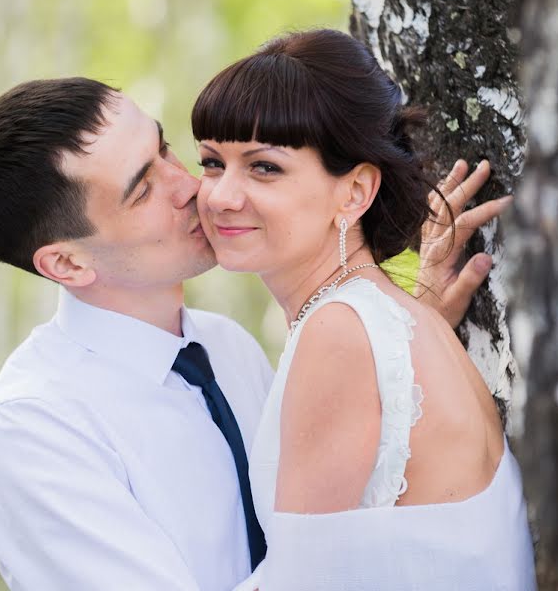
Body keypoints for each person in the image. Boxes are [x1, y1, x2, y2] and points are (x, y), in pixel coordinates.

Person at [0, 75, 508, 590]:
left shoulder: (227, 346)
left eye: (165, 149)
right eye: (143, 189)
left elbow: (348, 494)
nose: (194, 188)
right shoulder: (34, 429)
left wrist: (396, 341)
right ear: (67, 265)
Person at [192, 29, 535, 589]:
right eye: (211, 162)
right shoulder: (389, 318)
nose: (220, 196)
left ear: (354, 192)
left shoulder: (341, 333)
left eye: (264, 168)